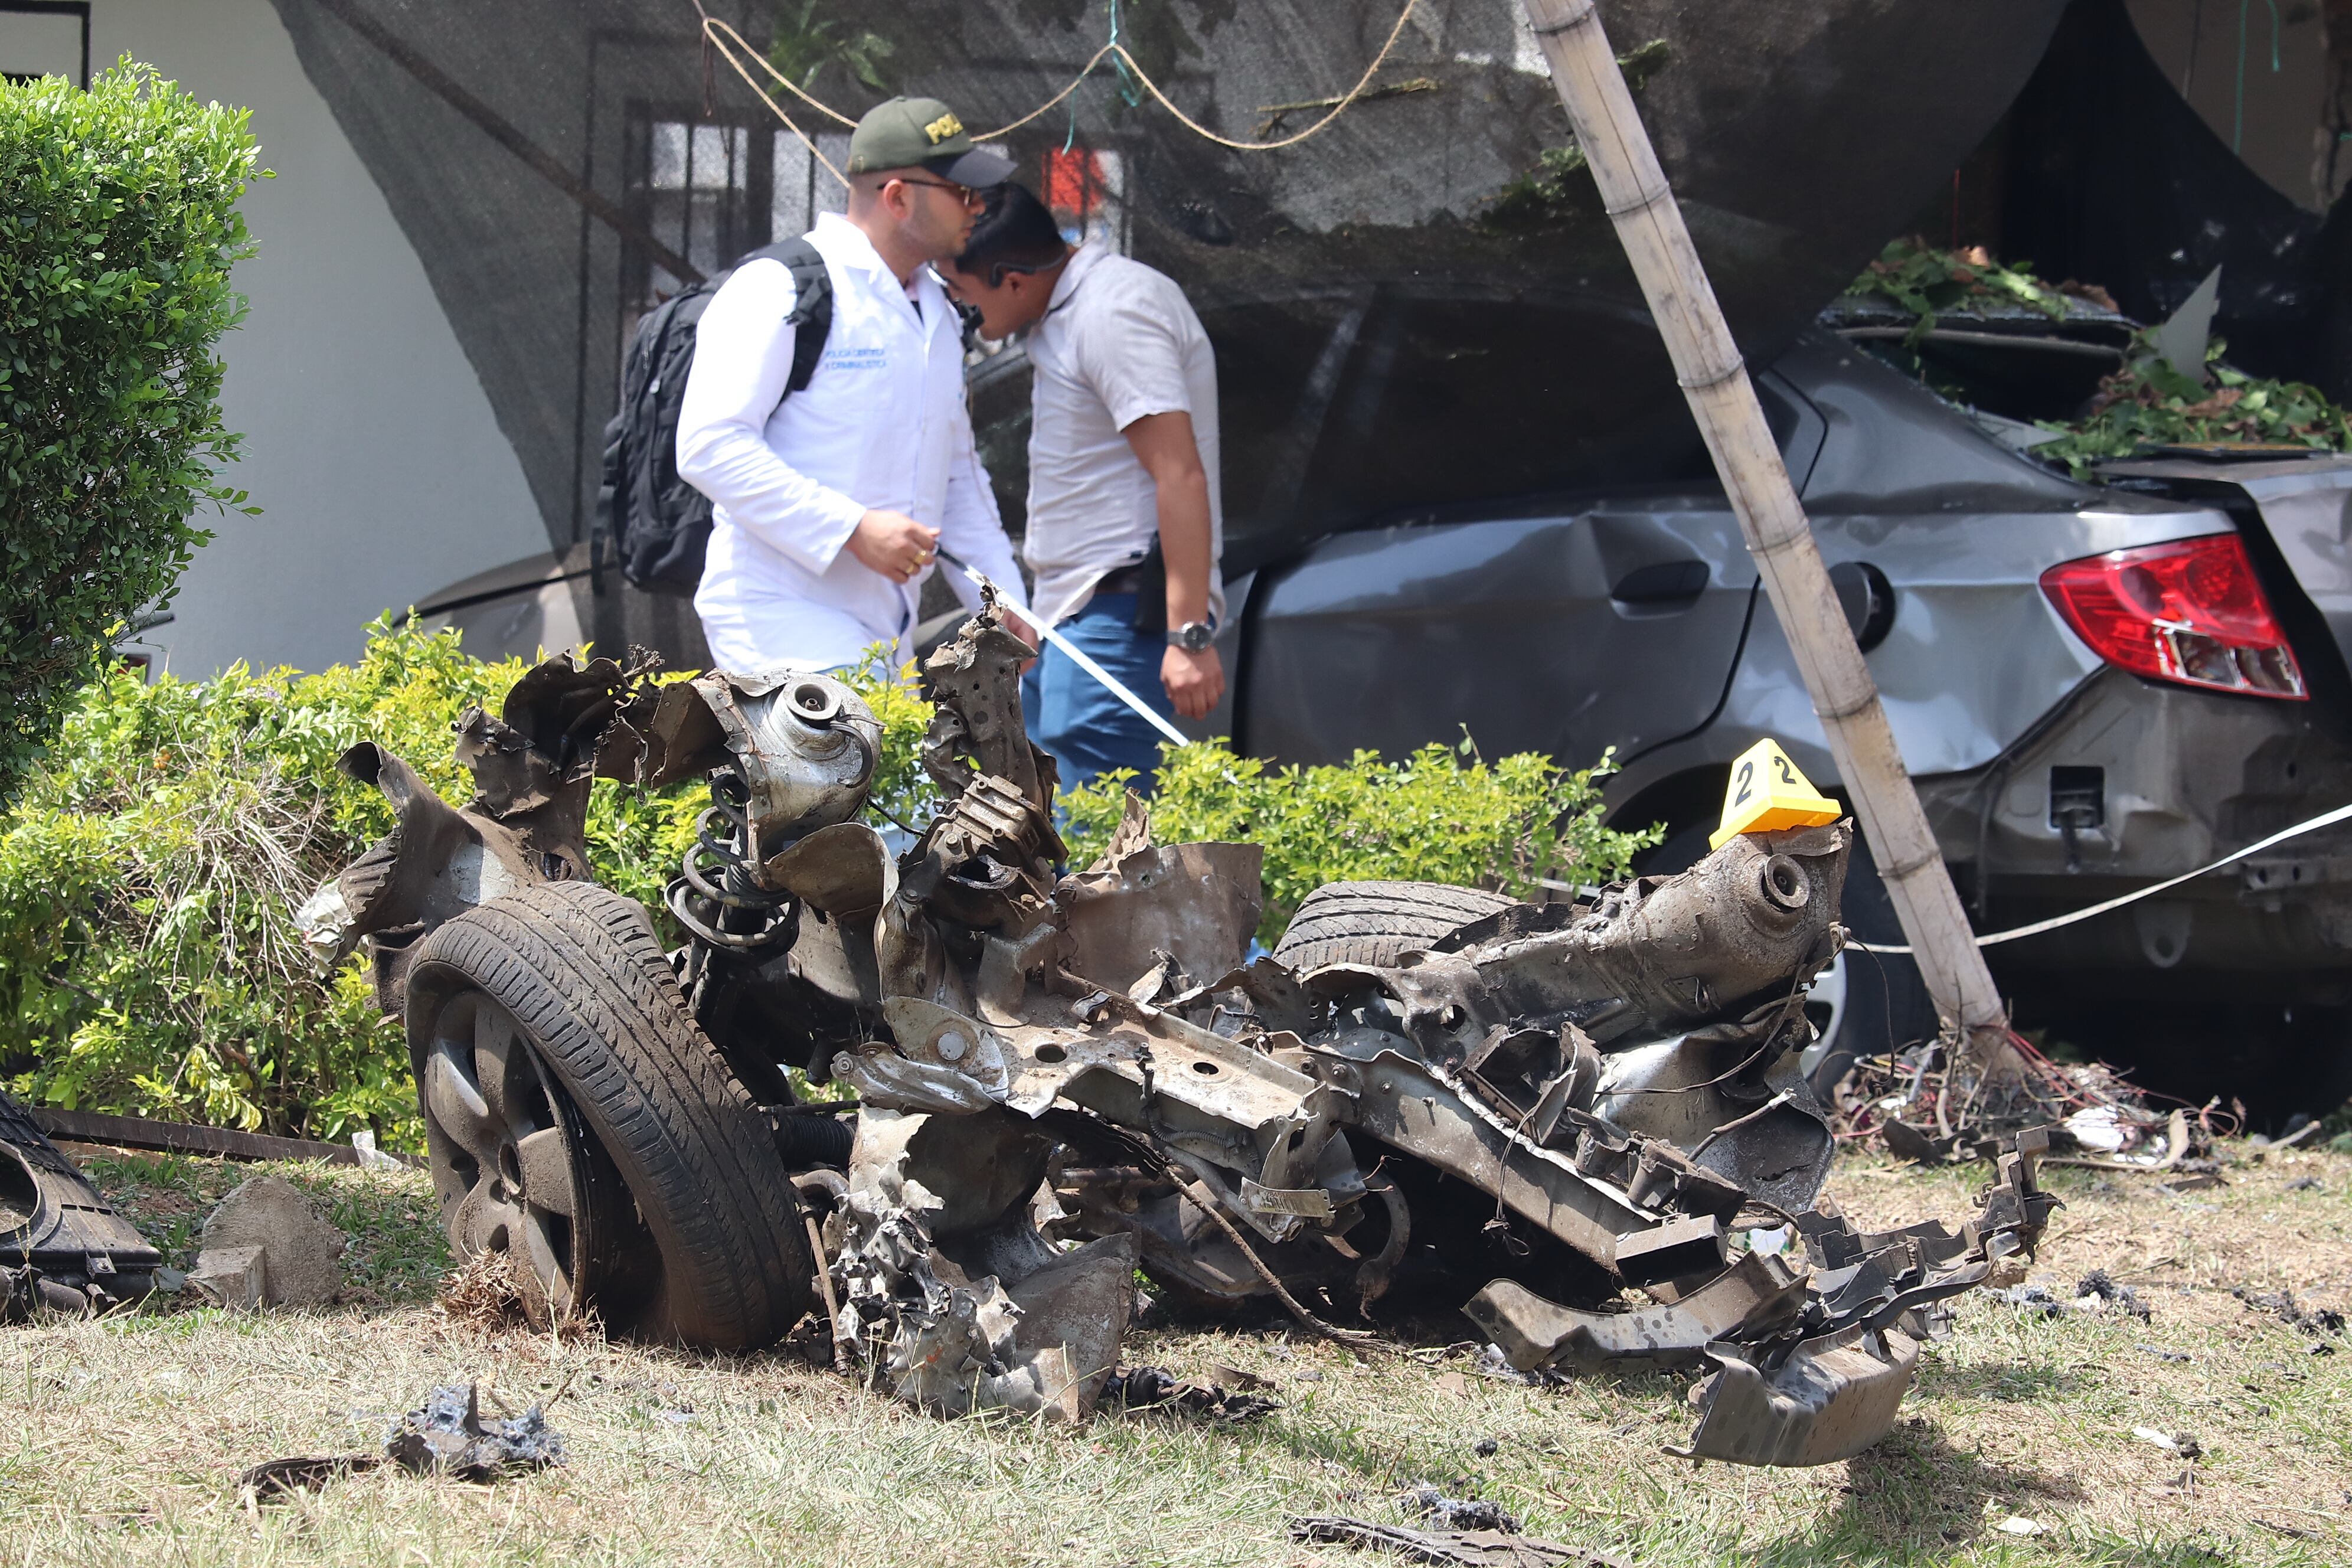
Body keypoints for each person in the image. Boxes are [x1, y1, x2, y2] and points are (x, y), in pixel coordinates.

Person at [677, 97, 1032, 674]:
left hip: (882, 636)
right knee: (869, 758)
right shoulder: (779, 287)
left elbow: (957, 474)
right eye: (961, 192)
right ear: (897, 197)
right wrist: (850, 529)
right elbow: (709, 445)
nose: (978, 206)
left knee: (901, 762)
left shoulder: (938, 311)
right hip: (778, 619)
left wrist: (1001, 603)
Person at [939, 182, 1225, 793]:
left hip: (1121, 612)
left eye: (961, 292)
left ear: (1012, 279)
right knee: (1058, 831)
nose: (958, 310)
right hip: (1077, 610)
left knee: (1100, 859)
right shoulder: (1070, 310)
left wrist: (1190, 636)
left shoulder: (1112, 309)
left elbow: (1180, 472)